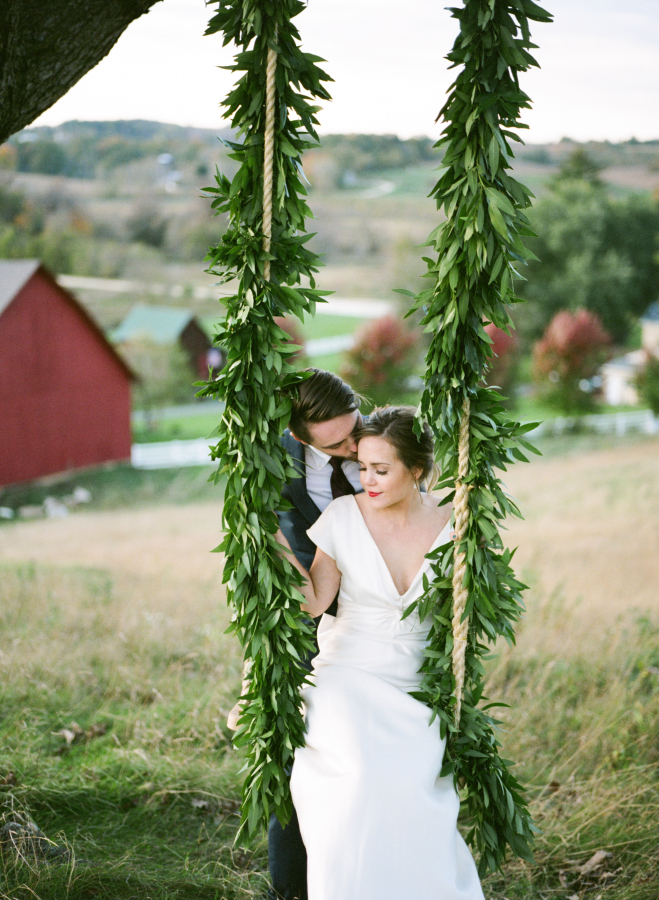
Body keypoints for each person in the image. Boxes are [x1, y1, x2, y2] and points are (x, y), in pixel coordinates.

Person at [277, 406, 485, 900]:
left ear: (416, 470)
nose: (365, 480)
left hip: (416, 680)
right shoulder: (342, 516)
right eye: (363, 467)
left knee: (408, 791)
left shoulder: (456, 521)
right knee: (358, 777)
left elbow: (466, 610)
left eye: (381, 470)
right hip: (347, 671)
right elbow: (314, 603)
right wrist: (271, 540)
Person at [228, 368, 365, 900]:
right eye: (338, 442)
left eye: (355, 428)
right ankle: (290, 888)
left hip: (374, 628)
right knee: (295, 758)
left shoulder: (382, 444)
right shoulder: (272, 464)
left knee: (358, 761)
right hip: (303, 625)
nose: (354, 445)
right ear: (300, 435)